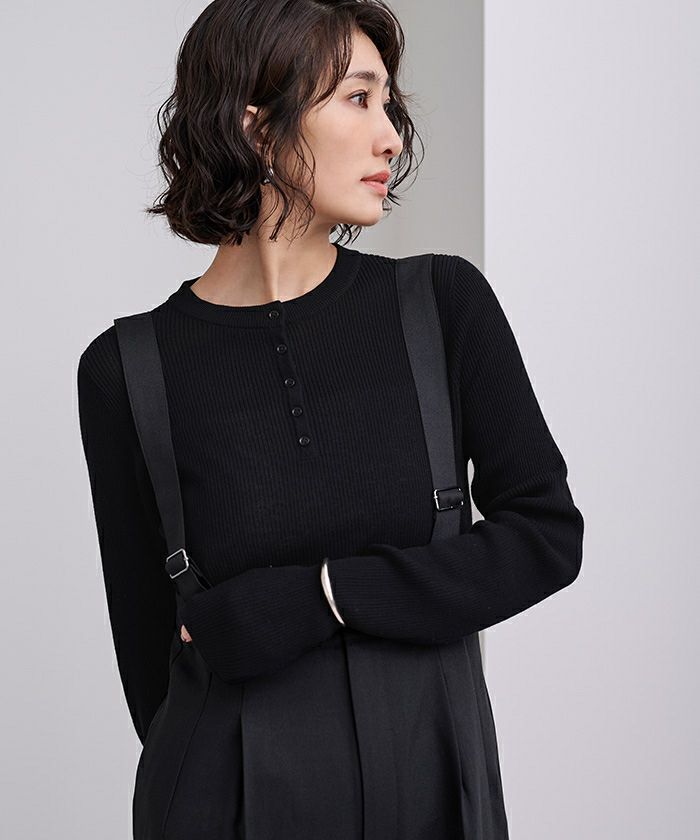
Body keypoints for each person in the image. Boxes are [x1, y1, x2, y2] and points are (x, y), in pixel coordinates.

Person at [77, 2, 584, 838]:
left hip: (433, 778)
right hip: (221, 795)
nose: (391, 137)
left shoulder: (441, 303)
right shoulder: (125, 370)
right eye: (358, 99)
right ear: (257, 126)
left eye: (389, 104)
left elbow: (546, 537)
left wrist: (324, 596)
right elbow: (150, 655)